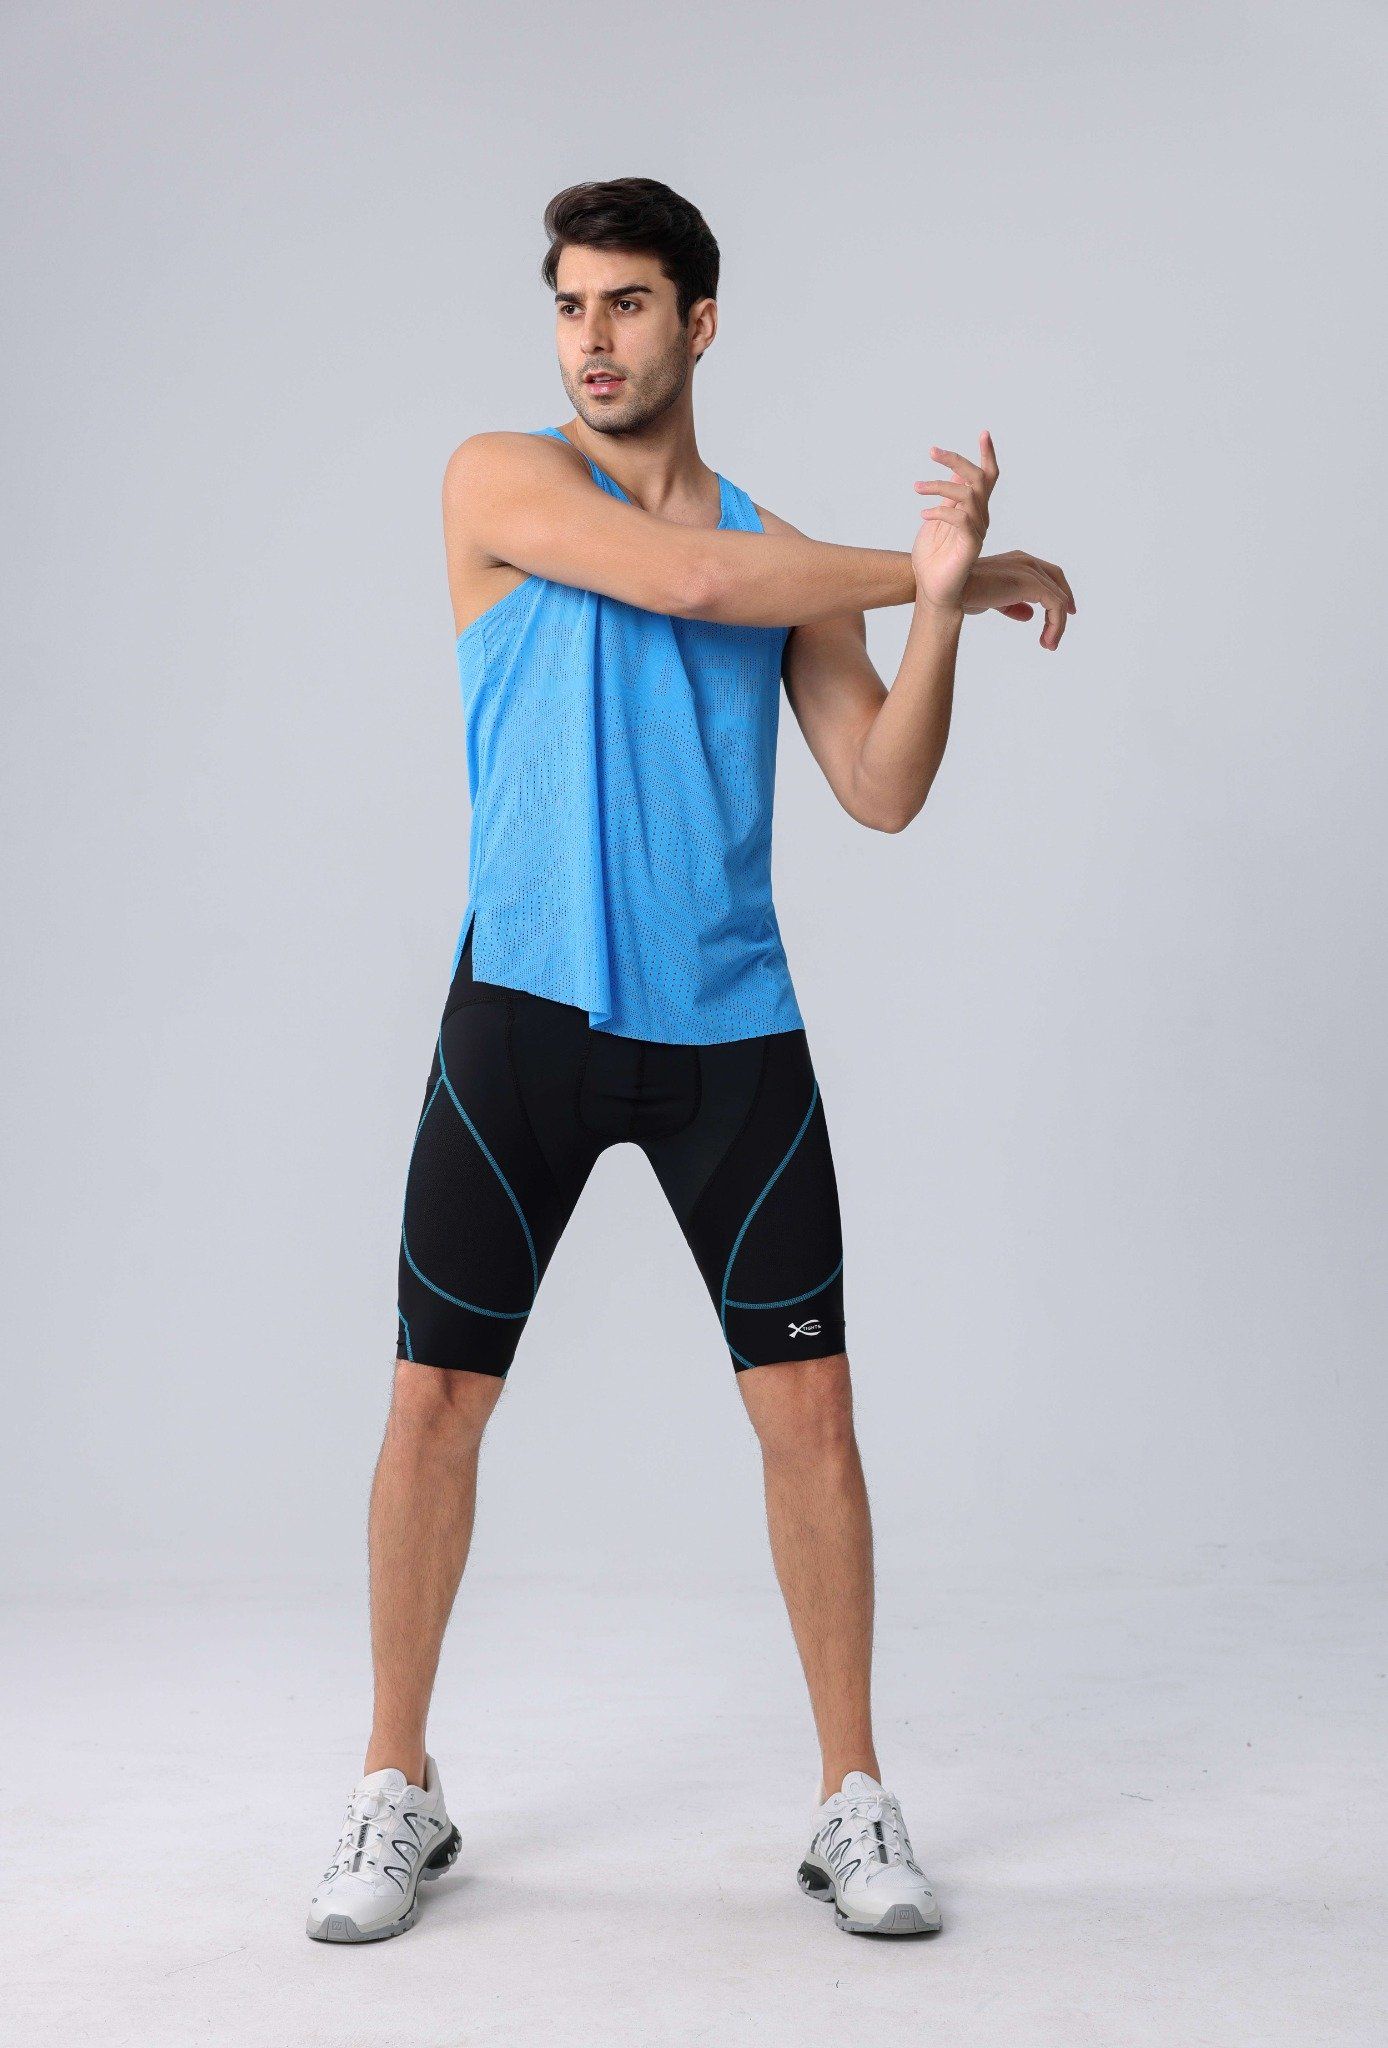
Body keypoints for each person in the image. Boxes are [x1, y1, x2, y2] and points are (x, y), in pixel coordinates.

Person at [306, 177, 1075, 1945]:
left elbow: (881, 787)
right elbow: (696, 579)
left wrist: (936, 618)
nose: (592, 338)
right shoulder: (498, 481)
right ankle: (395, 1782)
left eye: (630, 303)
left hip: (729, 1030)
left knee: (812, 1417)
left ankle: (852, 1797)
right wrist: (945, 567)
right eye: (571, 304)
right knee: (433, 1404)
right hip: (524, 1018)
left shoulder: (789, 558)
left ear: (699, 323)